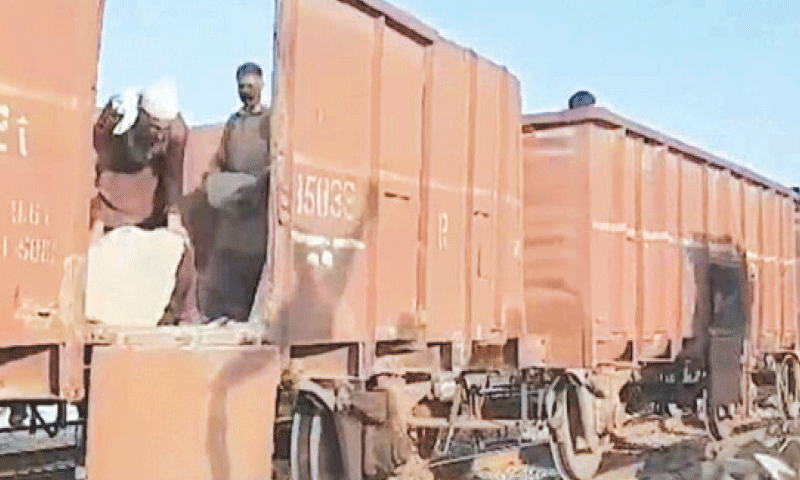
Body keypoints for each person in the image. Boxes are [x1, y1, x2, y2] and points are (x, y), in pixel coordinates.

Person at [91, 80, 202, 325]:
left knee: (181, 249)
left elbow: (173, 176)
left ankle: (185, 314)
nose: (160, 135)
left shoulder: (176, 133)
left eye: (165, 128)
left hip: (150, 206)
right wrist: (98, 221)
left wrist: (173, 217)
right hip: (112, 202)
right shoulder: (117, 120)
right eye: (154, 128)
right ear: (141, 117)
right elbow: (97, 151)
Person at [202, 62, 270, 322]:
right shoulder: (233, 122)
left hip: (259, 202)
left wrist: (261, 183)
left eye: (251, 86)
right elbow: (221, 158)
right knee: (229, 262)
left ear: (262, 85)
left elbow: (278, 156)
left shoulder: (270, 119)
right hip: (233, 204)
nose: (246, 91)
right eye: (242, 87)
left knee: (255, 259)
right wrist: (212, 179)